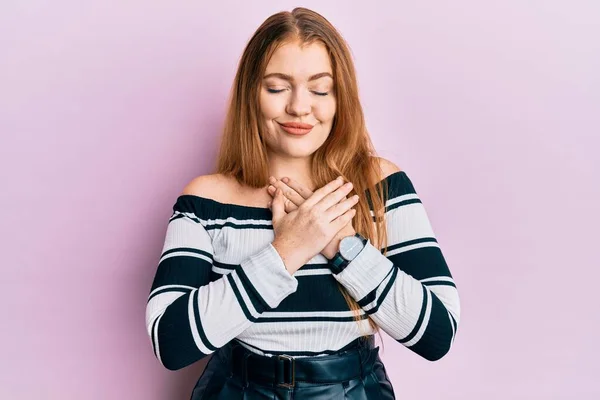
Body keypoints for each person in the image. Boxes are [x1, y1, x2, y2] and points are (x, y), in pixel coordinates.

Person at [145, 7, 460, 399]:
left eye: (320, 88)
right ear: (251, 96)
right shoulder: (206, 199)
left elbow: (438, 334)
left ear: (339, 98)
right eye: (277, 87)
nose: (298, 107)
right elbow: (170, 343)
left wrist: (343, 248)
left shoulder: (381, 186)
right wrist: (287, 250)